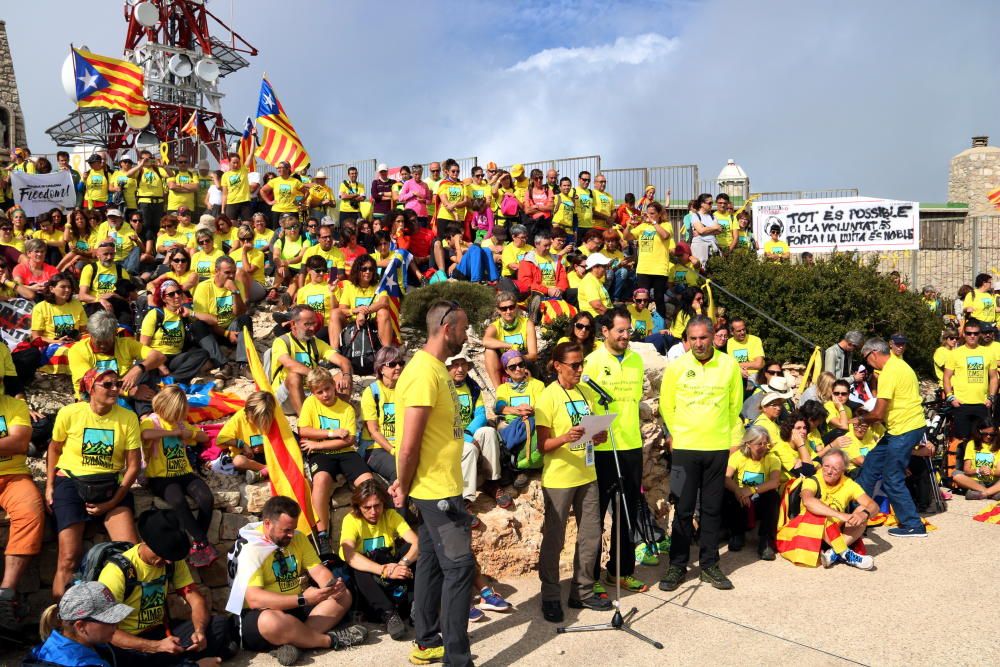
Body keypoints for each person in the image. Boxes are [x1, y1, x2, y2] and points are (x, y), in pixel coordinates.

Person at [388, 300, 475, 667]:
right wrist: (402, 485)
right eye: (463, 328)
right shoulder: (424, 372)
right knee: (460, 569)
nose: (466, 334)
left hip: (438, 486)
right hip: (436, 491)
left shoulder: (436, 369)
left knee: (432, 563)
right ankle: (458, 660)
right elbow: (409, 444)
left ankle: (425, 642)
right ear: (445, 326)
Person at [659, 316, 743, 591]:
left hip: (717, 449)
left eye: (703, 338)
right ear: (687, 339)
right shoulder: (677, 367)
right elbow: (666, 406)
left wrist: (732, 442)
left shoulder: (729, 365)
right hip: (684, 450)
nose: (698, 343)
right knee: (682, 509)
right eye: (692, 338)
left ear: (713, 336)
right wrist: (675, 436)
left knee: (711, 509)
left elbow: (734, 407)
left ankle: (709, 565)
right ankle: (677, 565)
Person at [231, 496, 367, 666]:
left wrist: (332, 586)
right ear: (267, 524)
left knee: (344, 595)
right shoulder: (251, 548)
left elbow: (317, 570)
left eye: (293, 529)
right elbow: (255, 599)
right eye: (286, 530)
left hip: (294, 606)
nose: (291, 535)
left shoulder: (298, 537)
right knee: (271, 621)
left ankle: (295, 642)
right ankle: (329, 640)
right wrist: (304, 599)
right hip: (260, 615)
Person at [47, 368, 142, 598]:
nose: (114, 389)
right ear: (90, 388)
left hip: (109, 483)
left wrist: (112, 502)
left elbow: (133, 466)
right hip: (71, 480)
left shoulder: (127, 417)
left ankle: (124, 617)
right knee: (69, 556)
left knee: (129, 554)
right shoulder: (70, 412)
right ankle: (60, 621)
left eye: (117, 384)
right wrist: (49, 485)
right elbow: (54, 448)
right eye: (107, 385)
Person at [97, 509, 235, 667]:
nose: (168, 562)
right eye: (163, 555)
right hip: (130, 644)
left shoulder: (172, 561)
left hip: (161, 634)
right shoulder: (117, 572)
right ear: (147, 543)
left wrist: (199, 631)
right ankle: (189, 662)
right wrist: (156, 646)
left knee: (218, 625)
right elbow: (107, 632)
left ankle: (183, 660)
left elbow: (195, 599)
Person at [535, 341, 612, 622]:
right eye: (574, 365)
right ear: (557, 365)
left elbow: (588, 431)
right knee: (554, 539)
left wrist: (597, 436)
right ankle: (551, 595)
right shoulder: (548, 397)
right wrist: (565, 437)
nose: (580, 369)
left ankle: (582, 591)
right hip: (559, 478)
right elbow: (543, 445)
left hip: (587, 473)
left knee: (591, 534)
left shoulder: (586, 392)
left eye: (582, 364)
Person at [584, 307, 648, 593]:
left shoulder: (636, 360)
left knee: (627, 512)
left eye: (628, 330)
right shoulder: (592, 361)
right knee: (595, 515)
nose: (625, 335)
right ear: (605, 331)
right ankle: (591, 576)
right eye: (619, 330)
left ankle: (619, 572)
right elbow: (584, 405)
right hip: (601, 448)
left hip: (631, 445)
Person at [857, 337, 929, 537]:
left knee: (892, 477)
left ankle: (913, 525)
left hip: (903, 429)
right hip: (903, 427)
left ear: (873, 354)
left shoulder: (889, 372)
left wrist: (861, 419)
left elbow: (878, 414)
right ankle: (856, 513)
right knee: (871, 463)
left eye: (865, 358)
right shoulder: (901, 364)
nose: (866, 363)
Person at [298, 367, 373, 556]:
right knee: (321, 481)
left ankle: (370, 525)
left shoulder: (346, 408)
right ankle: (322, 535)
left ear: (333, 386)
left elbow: (349, 440)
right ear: (313, 393)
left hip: (342, 451)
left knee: (367, 483)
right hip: (322, 456)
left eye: (327, 389)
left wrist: (318, 444)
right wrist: (332, 433)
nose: (325, 395)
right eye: (319, 392)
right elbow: (303, 430)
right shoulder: (310, 403)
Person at [140, 386, 217, 568]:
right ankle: (203, 542)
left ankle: (198, 544)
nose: (179, 417)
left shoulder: (181, 424)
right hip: (160, 477)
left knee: (206, 498)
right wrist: (173, 433)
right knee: (178, 501)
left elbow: (203, 437)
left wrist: (188, 433)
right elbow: (145, 434)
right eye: (177, 413)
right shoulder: (152, 421)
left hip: (183, 473)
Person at [339, 479, 419, 641]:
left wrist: (401, 564)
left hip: (392, 568)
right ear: (358, 507)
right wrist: (384, 570)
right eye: (367, 508)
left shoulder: (390, 515)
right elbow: (349, 554)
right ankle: (389, 614)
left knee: (417, 549)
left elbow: (417, 543)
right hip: (370, 581)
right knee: (358, 566)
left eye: (378, 506)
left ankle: (416, 607)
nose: (373, 512)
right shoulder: (351, 520)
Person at [784, 449, 879, 570]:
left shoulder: (848, 483)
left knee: (862, 509)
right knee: (816, 512)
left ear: (843, 470)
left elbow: (874, 506)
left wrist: (864, 514)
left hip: (835, 533)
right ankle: (845, 553)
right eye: (826, 466)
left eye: (834, 469)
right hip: (811, 533)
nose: (829, 471)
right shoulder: (812, 480)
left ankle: (833, 552)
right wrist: (840, 515)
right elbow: (808, 501)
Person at [0, 379, 44, 625]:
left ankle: (5, 594)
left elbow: (19, 442)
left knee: (31, 511)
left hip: (14, 475)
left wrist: (13, 444)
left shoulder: (15, 406)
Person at [447, 352, 510, 519]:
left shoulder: (472, 386)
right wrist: (466, 439)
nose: (460, 369)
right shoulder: (441, 388)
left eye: (463, 364)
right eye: (455, 365)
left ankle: (492, 481)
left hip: (468, 432)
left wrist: (468, 433)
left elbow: (481, 414)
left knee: (489, 432)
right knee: (468, 449)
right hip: (448, 438)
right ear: (446, 367)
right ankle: (465, 499)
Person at [66, 310, 166, 410]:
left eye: (107, 341)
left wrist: (138, 369)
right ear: (90, 334)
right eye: (99, 341)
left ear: (115, 333)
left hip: (122, 396)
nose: (103, 345)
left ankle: (146, 417)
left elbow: (160, 356)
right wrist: (130, 391)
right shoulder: (77, 351)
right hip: (92, 400)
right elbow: (90, 382)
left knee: (147, 366)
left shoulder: (126, 344)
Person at [269, 304, 351, 414]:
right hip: (286, 398)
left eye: (314, 323)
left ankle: (339, 412)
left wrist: (346, 376)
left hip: (313, 392)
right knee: (294, 375)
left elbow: (343, 361)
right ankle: (305, 420)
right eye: (307, 324)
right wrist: (315, 375)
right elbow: (289, 363)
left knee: (343, 375)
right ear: (293, 324)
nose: (312, 328)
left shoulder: (315, 342)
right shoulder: (282, 342)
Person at [27, 581, 133, 667]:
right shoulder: (84, 663)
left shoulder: (49, 646)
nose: (116, 624)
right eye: (108, 619)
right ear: (80, 626)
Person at [942, 319, 998, 479]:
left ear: (980, 334)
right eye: (969, 333)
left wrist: (991, 397)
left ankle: (982, 475)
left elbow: (994, 377)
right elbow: (947, 377)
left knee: (984, 439)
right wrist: (950, 397)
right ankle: (958, 476)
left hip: (982, 403)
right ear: (963, 334)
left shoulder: (988, 353)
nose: (972, 336)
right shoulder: (955, 353)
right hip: (962, 404)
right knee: (961, 439)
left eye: (975, 333)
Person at [723, 425, 781, 560]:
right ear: (748, 444)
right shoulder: (738, 456)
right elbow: (725, 478)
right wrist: (738, 491)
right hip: (742, 500)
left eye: (765, 443)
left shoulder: (772, 458)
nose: (763, 447)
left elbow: (774, 482)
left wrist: (751, 490)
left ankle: (765, 541)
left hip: (760, 497)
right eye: (759, 444)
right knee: (729, 494)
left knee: (773, 496)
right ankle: (737, 533)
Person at [191, 256, 252, 376]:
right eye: (227, 272)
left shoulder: (237, 284)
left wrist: (235, 292)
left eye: (233, 272)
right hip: (213, 332)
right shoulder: (204, 287)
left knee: (245, 319)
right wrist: (226, 334)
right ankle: (223, 365)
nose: (231, 276)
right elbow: (206, 319)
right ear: (216, 271)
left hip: (232, 330)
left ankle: (243, 364)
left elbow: (240, 313)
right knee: (198, 325)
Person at [360, 346, 404, 484]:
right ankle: (399, 505)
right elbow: (373, 431)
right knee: (399, 471)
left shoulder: (406, 389)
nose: (398, 367)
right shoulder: (372, 392)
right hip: (376, 448)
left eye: (401, 363)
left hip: (402, 446)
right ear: (381, 369)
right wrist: (393, 451)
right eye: (392, 364)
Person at [624, 200, 672, 321]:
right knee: (642, 298)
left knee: (659, 298)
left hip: (659, 268)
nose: (649, 216)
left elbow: (665, 236)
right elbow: (627, 237)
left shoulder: (666, 225)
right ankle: (641, 321)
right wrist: (628, 225)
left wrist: (654, 223)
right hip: (644, 268)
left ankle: (661, 323)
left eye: (652, 213)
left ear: (659, 214)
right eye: (648, 213)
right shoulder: (643, 226)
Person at [482, 292, 539, 389]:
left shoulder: (527, 323)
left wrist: (516, 359)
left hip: (523, 361)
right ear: (498, 310)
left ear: (516, 307)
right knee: (489, 351)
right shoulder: (495, 326)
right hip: (505, 363)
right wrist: (510, 346)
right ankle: (499, 391)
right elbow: (485, 341)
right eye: (503, 309)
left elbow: (533, 355)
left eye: (511, 307)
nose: (508, 311)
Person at [30, 272, 88, 348]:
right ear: (52, 289)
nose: (67, 290)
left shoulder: (76, 304)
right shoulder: (40, 307)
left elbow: (84, 331)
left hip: (75, 345)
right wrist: (58, 342)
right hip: (52, 346)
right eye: (63, 287)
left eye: (69, 287)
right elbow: (36, 338)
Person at [951, 418, 1000, 499]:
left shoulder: (998, 446)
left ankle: (983, 493)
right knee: (956, 475)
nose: (988, 436)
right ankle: (991, 493)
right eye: (985, 433)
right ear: (979, 431)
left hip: (993, 482)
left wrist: (991, 471)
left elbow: (999, 471)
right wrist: (978, 470)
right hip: (976, 482)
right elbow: (966, 470)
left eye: (992, 434)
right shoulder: (971, 444)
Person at [686, 193, 721, 264]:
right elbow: (702, 230)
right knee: (701, 269)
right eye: (709, 203)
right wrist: (714, 227)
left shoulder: (712, 216)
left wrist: (703, 230)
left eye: (712, 203)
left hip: (712, 247)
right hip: (700, 247)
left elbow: (719, 230)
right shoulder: (695, 216)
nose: (711, 205)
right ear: (702, 204)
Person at [727, 317, 765, 381]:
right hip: (734, 376)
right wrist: (738, 370)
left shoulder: (755, 340)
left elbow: (759, 364)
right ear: (731, 332)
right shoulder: (728, 343)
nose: (742, 332)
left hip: (753, 377)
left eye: (744, 329)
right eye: (739, 331)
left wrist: (736, 366)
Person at [220, 153, 253, 223]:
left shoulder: (243, 170)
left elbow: (251, 154)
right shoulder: (225, 175)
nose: (236, 165)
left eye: (237, 163)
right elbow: (224, 194)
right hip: (231, 203)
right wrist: (223, 209)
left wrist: (253, 141)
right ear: (229, 163)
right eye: (234, 163)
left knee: (247, 225)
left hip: (245, 202)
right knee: (231, 226)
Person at [577, 253, 612, 318]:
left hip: (603, 315)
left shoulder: (596, 280)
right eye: (604, 266)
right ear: (594, 267)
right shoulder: (589, 281)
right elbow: (597, 306)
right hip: (596, 318)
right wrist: (612, 317)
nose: (605, 269)